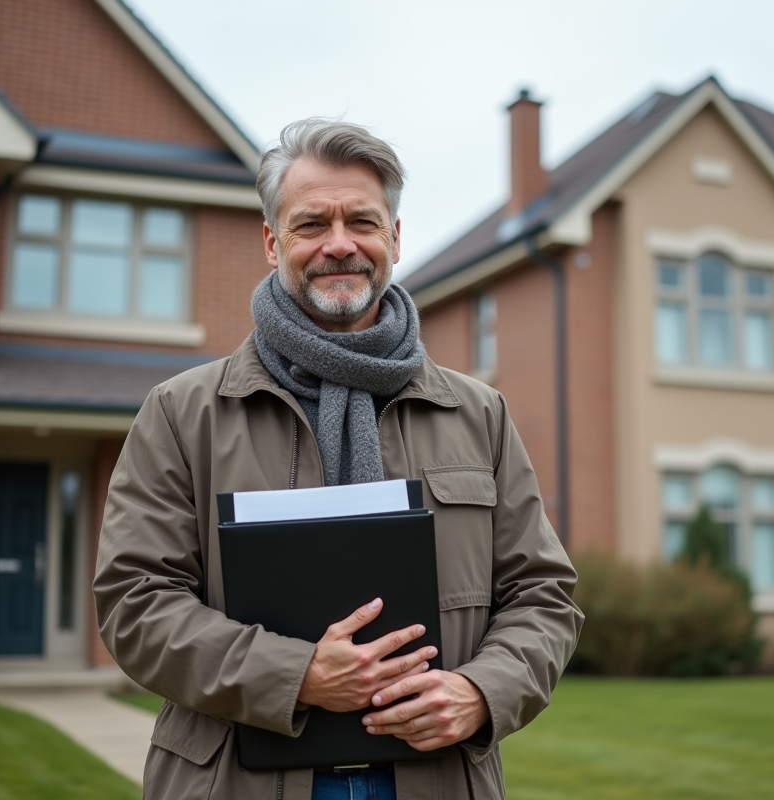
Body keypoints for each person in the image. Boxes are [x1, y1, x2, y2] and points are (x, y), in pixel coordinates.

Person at [94, 118, 582, 800]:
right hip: (239, 781)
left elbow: (543, 596)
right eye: (311, 224)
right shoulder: (182, 414)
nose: (340, 244)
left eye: (362, 221)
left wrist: (480, 692)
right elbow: (134, 603)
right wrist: (294, 675)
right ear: (272, 243)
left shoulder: (479, 416)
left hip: (434, 779)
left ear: (395, 238)